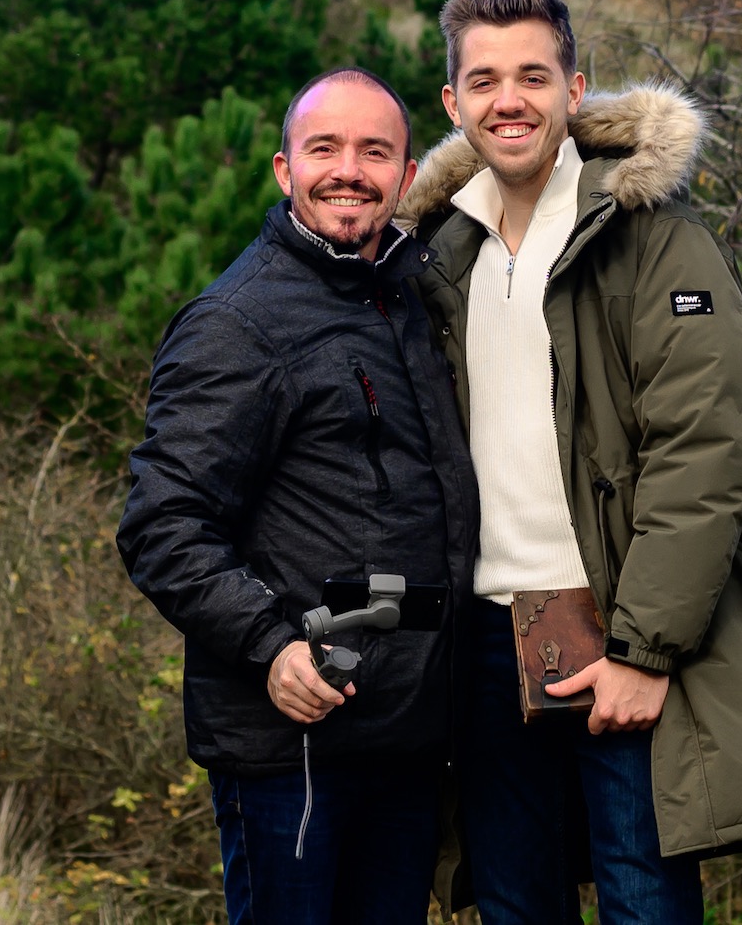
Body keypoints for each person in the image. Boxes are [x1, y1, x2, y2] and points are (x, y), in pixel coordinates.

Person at [397, 0, 742, 924]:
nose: (509, 100)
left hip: (619, 630)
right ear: (453, 105)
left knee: (646, 904)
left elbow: (707, 454)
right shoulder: (437, 256)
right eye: (484, 81)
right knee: (515, 907)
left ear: (576, 89)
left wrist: (644, 650)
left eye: (535, 75)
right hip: (488, 650)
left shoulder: (655, 236)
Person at [116, 67, 478, 925]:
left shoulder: (408, 301)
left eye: (374, 151)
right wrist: (272, 645)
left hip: (403, 738)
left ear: (405, 172)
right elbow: (162, 525)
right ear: (286, 171)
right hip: (292, 745)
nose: (348, 169)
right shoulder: (237, 323)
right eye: (325, 148)